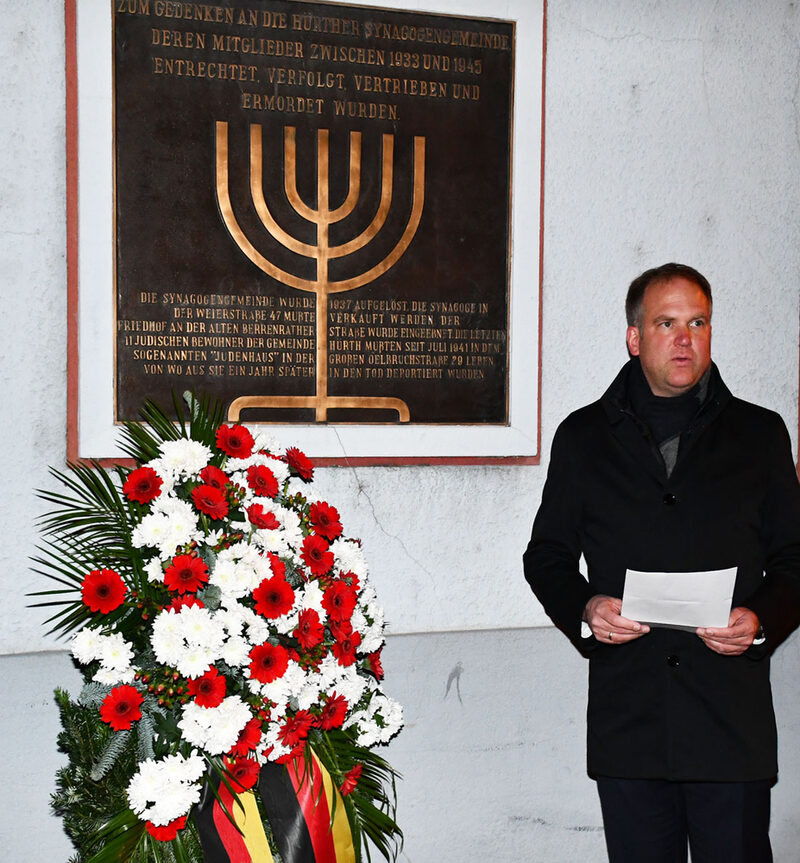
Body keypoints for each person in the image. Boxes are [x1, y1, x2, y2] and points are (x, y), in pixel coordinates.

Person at [523, 263, 800, 863]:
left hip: (731, 726)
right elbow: (545, 556)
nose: (684, 339)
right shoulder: (583, 436)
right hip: (632, 724)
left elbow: (794, 559)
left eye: (697, 322)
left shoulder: (760, 434)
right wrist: (585, 609)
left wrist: (761, 622)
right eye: (666, 323)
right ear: (634, 337)